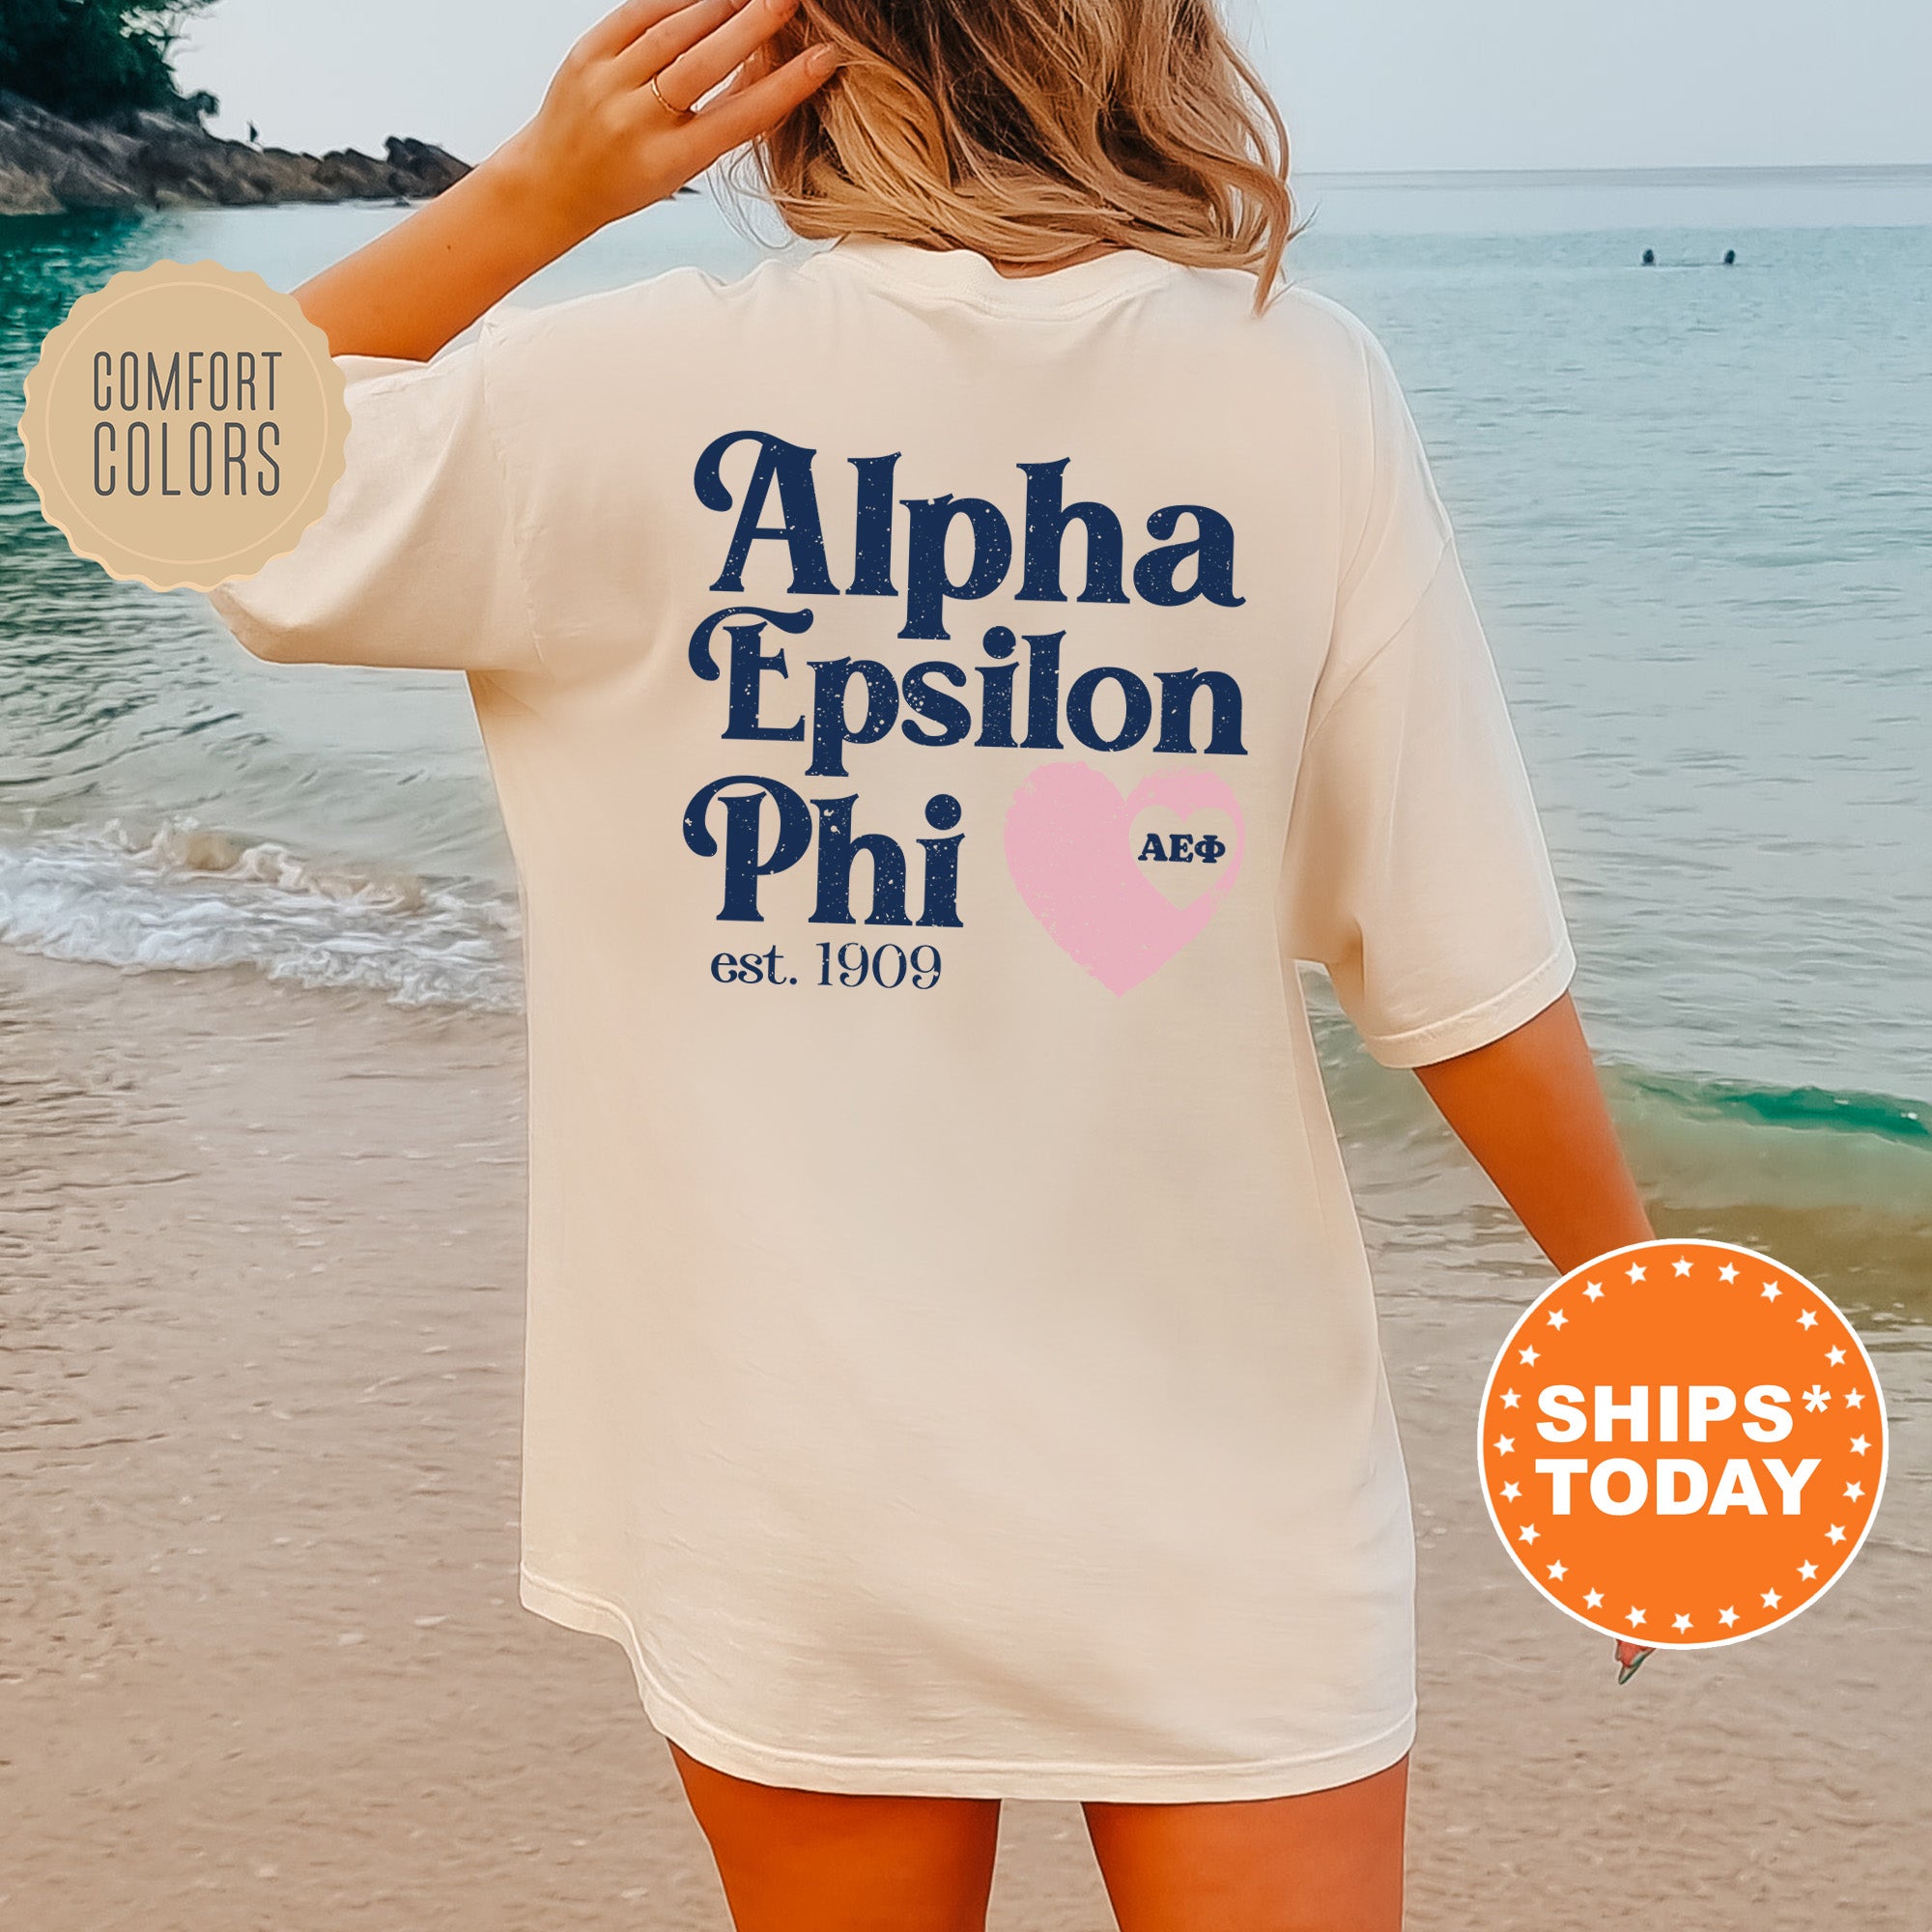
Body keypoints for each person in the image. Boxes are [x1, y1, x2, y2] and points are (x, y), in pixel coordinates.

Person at [207, 0, 1653, 1925]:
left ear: (796, 65)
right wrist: (1639, 1350)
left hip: (791, 1486)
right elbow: (1456, 957)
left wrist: (533, 194)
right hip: (1219, 1498)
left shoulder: (616, 392)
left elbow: (155, 451)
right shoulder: (1296, 389)